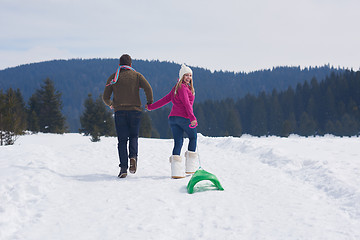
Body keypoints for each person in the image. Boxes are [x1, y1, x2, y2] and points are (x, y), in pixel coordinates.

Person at [103, 54, 153, 178]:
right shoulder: (137, 76)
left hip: (120, 112)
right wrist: (149, 102)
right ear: (130, 65)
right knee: (134, 137)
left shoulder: (114, 77)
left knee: (122, 141)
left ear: (120, 65)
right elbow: (148, 88)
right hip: (135, 111)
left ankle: (123, 168)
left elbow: (105, 97)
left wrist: (111, 104)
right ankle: (133, 157)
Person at [146, 64, 198, 179]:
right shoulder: (183, 88)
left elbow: (164, 100)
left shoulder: (175, 88)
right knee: (193, 137)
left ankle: (176, 172)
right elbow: (186, 104)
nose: (188, 77)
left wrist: (151, 107)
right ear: (182, 76)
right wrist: (192, 118)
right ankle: (190, 169)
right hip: (184, 118)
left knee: (178, 142)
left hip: (173, 119)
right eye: (186, 75)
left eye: (190, 75)